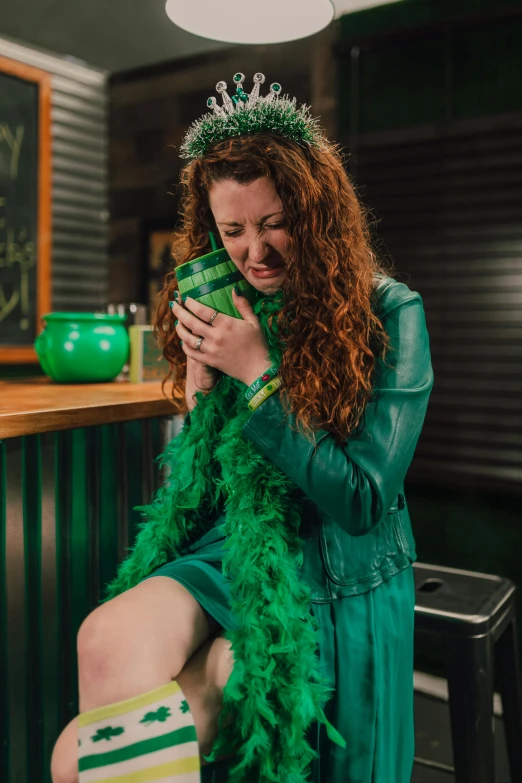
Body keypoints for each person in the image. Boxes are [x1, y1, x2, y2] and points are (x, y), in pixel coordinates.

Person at [51, 72, 434, 783]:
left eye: (273, 222)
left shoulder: (392, 314)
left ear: (315, 215)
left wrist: (260, 375)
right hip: (239, 542)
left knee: (80, 760)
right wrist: (200, 390)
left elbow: (359, 500)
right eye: (233, 230)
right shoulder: (228, 302)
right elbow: (205, 484)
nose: (254, 251)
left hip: (328, 555)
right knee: (104, 638)